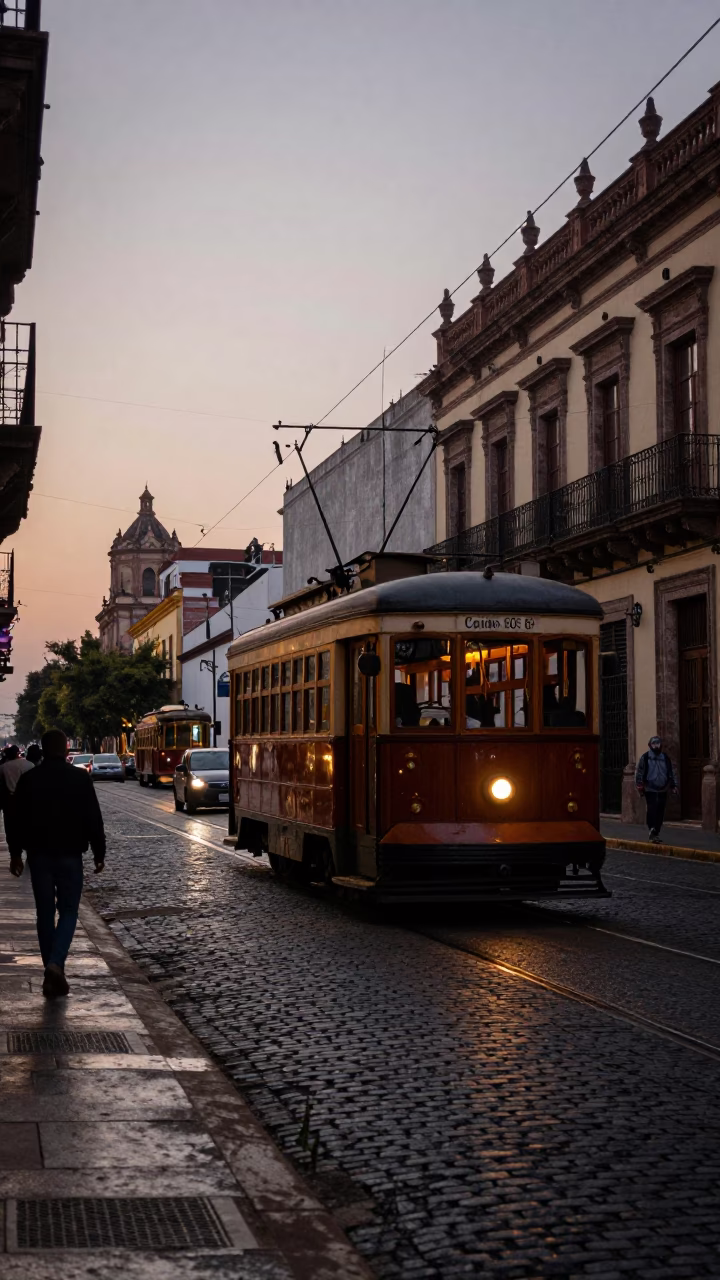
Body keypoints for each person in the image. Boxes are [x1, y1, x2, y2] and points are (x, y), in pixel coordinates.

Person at [6, 728, 106, 999]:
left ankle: (51, 969)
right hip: (71, 854)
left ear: (43, 748)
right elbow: (93, 817)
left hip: (38, 855)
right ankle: (55, 963)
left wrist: (15, 853)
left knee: (44, 913)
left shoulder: (29, 779)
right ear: (65, 750)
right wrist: (99, 852)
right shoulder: (79, 778)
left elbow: (15, 819)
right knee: (69, 911)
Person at [635, 735, 678, 843]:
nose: (656, 746)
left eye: (658, 743)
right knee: (652, 809)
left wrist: (673, 785)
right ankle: (652, 829)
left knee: (660, 811)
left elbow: (671, 772)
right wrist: (639, 785)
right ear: (650, 745)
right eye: (654, 743)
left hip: (663, 788)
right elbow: (640, 772)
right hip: (650, 788)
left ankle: (656, 832)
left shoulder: (665, 758)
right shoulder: (645, 757)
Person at [0, 744, 34, 813]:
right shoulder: (29, 764)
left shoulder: (3, 767)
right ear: (18, 753)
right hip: (28, 798)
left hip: (10, 800)